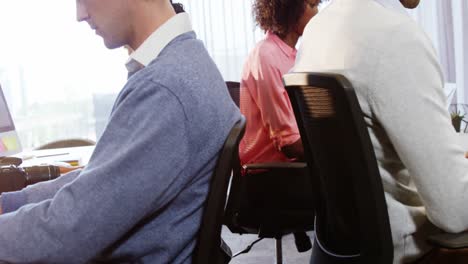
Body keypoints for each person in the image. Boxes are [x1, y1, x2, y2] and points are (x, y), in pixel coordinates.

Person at [0, 0, 240, 262]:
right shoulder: (186, 64)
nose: (81, 14)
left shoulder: (164, 88)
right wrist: (10, 203)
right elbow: (101, 182)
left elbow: (69, 231)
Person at [293, 0, 468, 263]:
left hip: (342, 250)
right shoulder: (395, 37)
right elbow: (454, 210)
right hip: (408, 250)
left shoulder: (316, 31)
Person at [239, 0, 320, 165]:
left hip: (294, 168)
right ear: (291, 8)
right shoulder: (266, 55)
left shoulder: (297, 57)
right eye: (312, 5)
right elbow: (289, 144)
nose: (317, 13)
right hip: (270, 175)